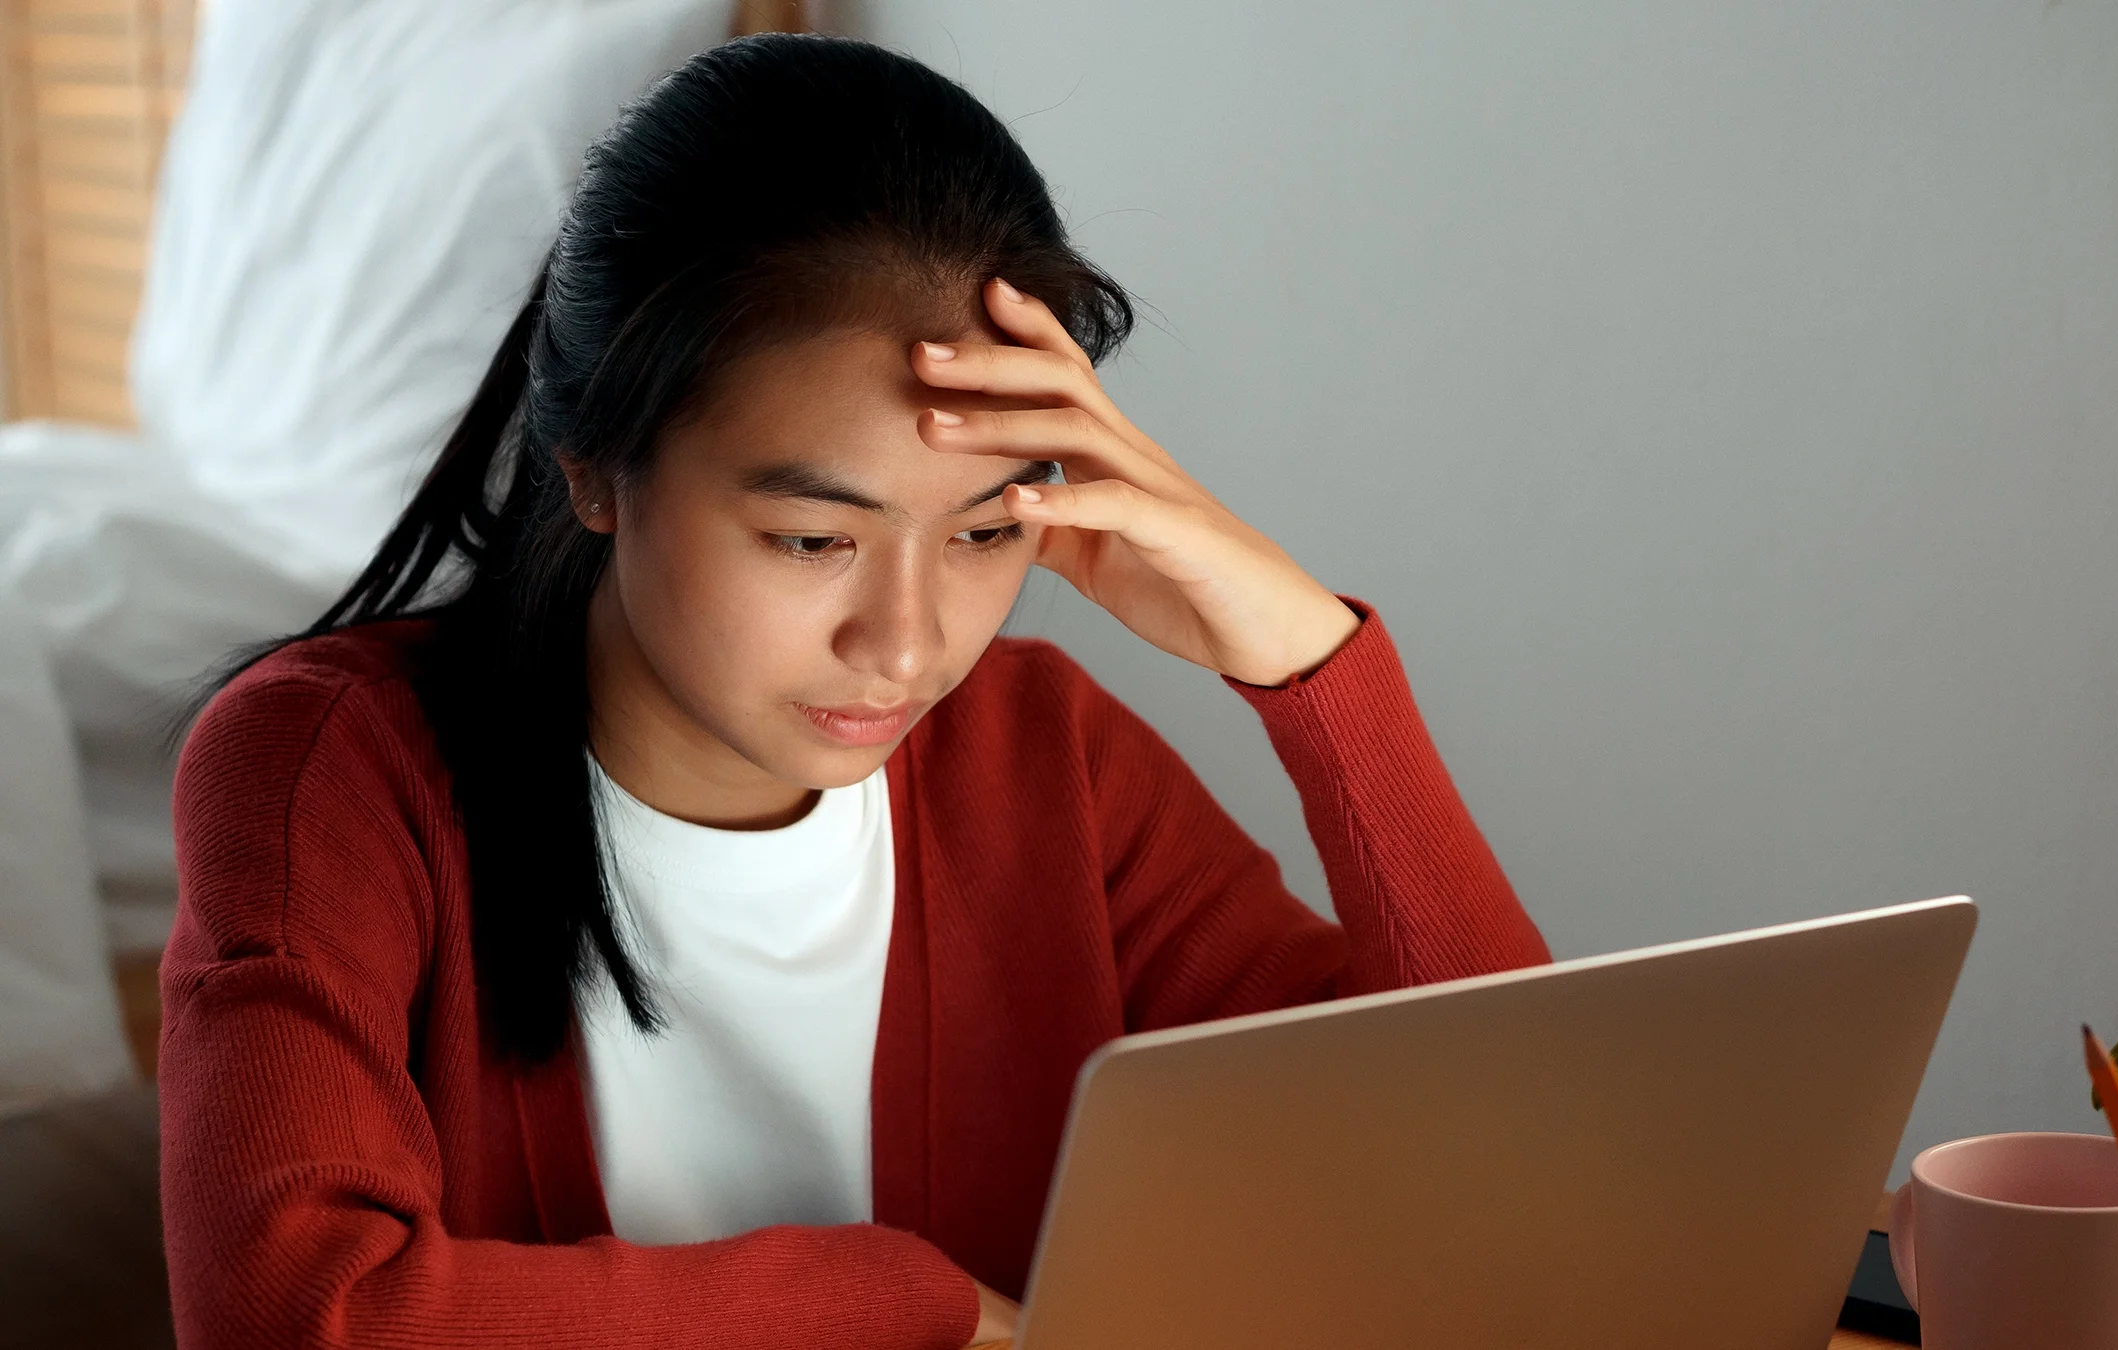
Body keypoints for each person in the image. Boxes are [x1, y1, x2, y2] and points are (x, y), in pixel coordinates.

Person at [157, 33, 1549, 1350]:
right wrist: (901, 1305)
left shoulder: (1046, 758)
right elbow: (297, 1311)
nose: (904, 644)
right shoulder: (331, 766)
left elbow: (1510, 1164)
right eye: (815, 541)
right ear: (591, 465)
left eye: (986, 533)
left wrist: (1312, 665)